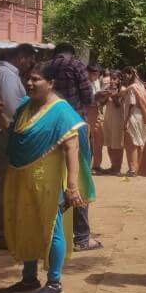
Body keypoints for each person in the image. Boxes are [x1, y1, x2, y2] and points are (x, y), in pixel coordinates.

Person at [0, 63, 97, 293]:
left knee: (52, 229)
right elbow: (15, 135)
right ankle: (29, 278)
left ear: (50, 83)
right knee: (26, 225)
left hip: (49, 183)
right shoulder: (24, 107)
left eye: (35, 79)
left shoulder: (61, 112)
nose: (29, 83)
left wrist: (72, 187)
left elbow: (72, 148)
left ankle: (54, 282)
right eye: (28, 78)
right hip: (24, 179)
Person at [45, 43, 101, 251]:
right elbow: (88, 97)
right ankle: (82, 237)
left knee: (54, 179)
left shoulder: (45, 67)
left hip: (50, 130)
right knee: (81, 178)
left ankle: (53, 232)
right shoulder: (76, 66)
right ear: (72, 52)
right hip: (76, 126)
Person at [0, 43, 35, 249]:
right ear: (22, 57)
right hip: (1, 132)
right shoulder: (8, 75)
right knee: (2, 183)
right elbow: (14, 109)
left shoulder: (4, 73)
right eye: (30, 60)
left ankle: (1, 230)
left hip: (1, 131)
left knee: (3, 182)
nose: (30, 66)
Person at [121, 67, 146, 175]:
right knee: (140, 141)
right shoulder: (142, 86)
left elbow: (131, 104)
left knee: (132, 143)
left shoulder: (132, 87)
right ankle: (139, 167)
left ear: (130, 74)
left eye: (125, 75)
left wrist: (126, 121)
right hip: (140, 116)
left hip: (133, 115)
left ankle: (133, 169)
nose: (124, 78)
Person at [102, 69, 126, 176]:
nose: (112, 81)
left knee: (117, 144)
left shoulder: (123, 89)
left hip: (118, 119)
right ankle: (112, 166)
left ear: (120, 79)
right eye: (111, 78)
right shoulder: (107, 88)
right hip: (108, 118)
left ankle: (118, 168)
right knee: (109, 143)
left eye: (114, 79)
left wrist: (113, 95)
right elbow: (101, 103)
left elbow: (118, 105)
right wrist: (105, 96)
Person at [86, 63, 105, 174]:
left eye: (98, 73)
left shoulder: (97, 82)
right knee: (88, 140)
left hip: (96, 113)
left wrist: (105, 97)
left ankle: (96, 165)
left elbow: (98, 101)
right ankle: (87, 166)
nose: (96, 76)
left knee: (99, 140)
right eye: (94, 73)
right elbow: (87, 101)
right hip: (88, 114)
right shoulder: (84, 83)